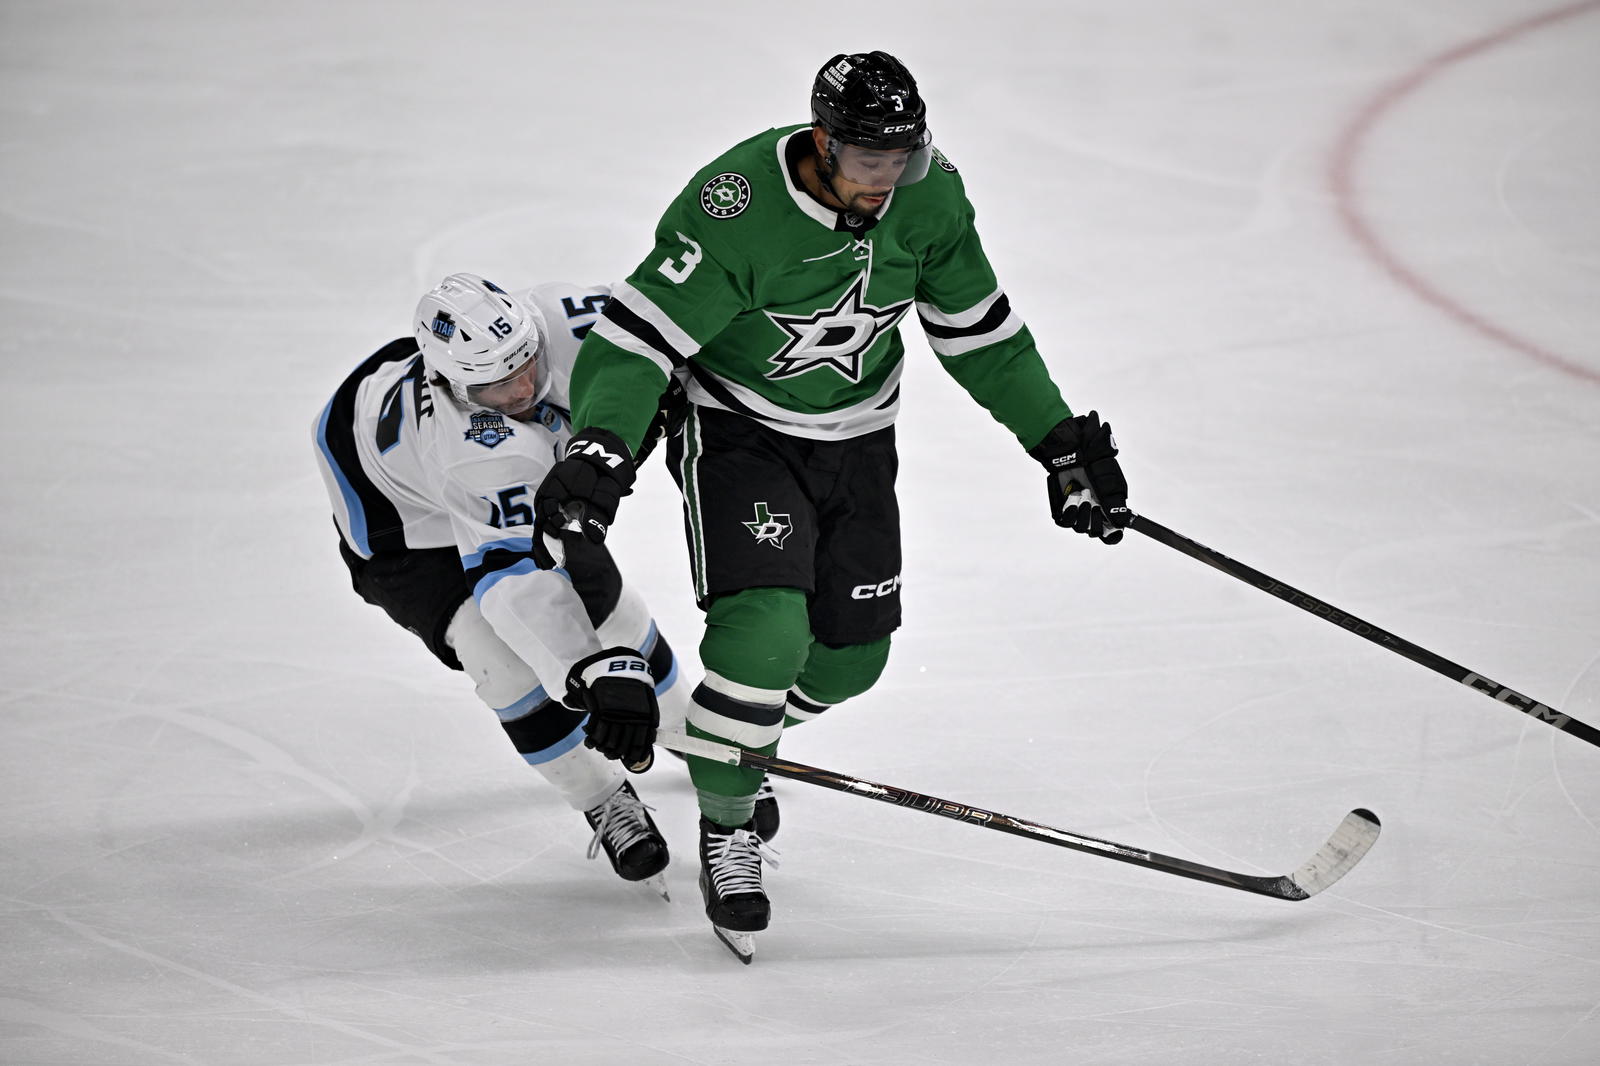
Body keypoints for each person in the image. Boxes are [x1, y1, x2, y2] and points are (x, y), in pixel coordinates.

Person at [532, 51, 1131, 960]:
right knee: (765, 634)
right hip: (740, 433)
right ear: (823, 142)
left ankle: (727, 737)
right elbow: (635, 336)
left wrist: (1056, 441)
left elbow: (980, 333)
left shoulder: (931, 198)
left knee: (853, 662)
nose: (887, 185)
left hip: (858, 437)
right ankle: (729, 821)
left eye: (903, 162)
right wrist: (600, 443)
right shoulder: (735, 205)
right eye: (868, 165)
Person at [312, 272, 692, 897]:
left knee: (614, 612)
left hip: (494, 481)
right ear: (452, 384)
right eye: (494, 384)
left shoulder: (578, 315)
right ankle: (600, 797)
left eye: (526, 364)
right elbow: (515, 579)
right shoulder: (472, 447)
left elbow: (683, 327)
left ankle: (699, 745)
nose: (519, 388)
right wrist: (586, 671)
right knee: (499, 660)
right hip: (401, 525)